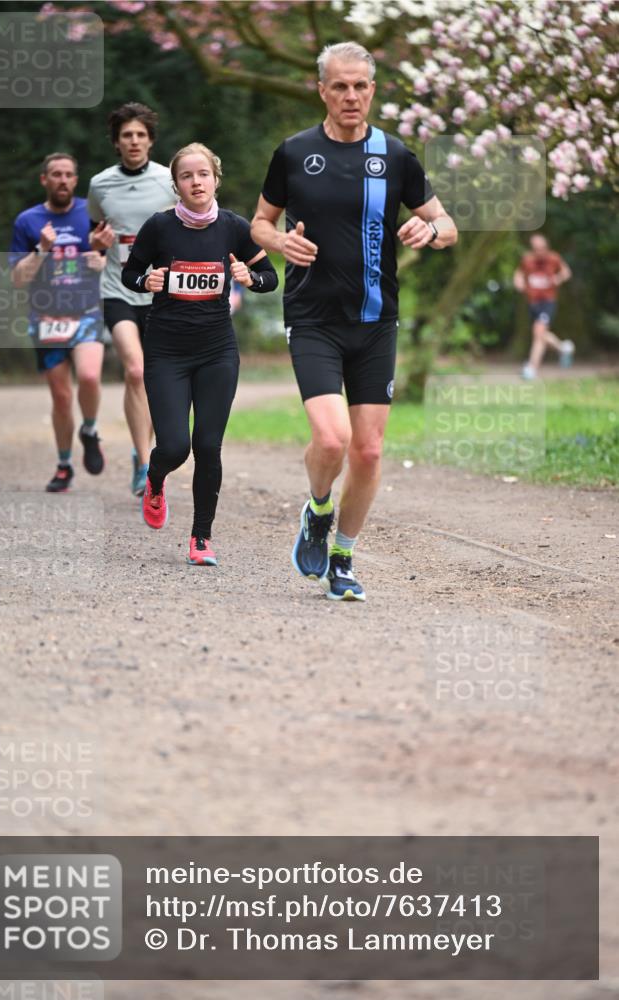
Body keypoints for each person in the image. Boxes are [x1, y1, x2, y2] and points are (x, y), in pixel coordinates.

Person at [251, 41, 457, 601]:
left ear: (372, 90)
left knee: (368, 450)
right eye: (339, 85)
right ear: (321, 89)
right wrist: (279, 244)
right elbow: (260, 224)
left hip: (375, 320)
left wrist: (431, 230)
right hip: (313, 317)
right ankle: (318, 508)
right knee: (332, 437)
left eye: (360, 86)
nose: (350, 95)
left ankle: (342, 555)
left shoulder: (395, 155)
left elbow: (446, 224)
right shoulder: (294, 153)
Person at [121, 142, 278, 566]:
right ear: (176, 185)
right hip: (167, 351)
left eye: (203, 174)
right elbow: (129, 273)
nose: (196, 182)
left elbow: (270, 276)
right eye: (187, 176)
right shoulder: (159, 227)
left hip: (216, 350)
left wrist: (251, 277)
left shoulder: (234, 228)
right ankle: (154, 479)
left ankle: (201, 538)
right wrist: (146, 281)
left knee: (208, 444)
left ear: (215, 179)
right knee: (174, 447)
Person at [87, 102, 174, 496]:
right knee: (135, 371)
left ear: (151, 141)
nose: (134, 141)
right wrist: (96, 243)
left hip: (160, 292)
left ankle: (146, 454)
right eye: (127, 135)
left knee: (154, 378)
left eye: (141, 134)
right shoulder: (100, 184)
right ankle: (143, 463)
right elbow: (95, 235)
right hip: (118, 289)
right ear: (117, 143)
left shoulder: (169, 181)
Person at [10, 152, 106, 493]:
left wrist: (101, 260)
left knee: (91, 376)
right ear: (44, 180)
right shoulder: (27, 221)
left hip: (86, 312)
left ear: (76, 180)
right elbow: (18, 279)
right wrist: (41, 250)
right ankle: (64, 465)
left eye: (68, 174)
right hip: (46, 317)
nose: (62, 179)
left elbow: (114, 262)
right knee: (62, 398)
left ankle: (90, 429)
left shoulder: (91, 215)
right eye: (56, 174)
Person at [513, 233, 574, 380]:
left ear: (546, 247)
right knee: (541, 334)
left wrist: (557, 279)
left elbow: (566, 272)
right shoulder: (527, 260)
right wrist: (519, 282)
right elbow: (518, 274)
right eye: (536, 248)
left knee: (538, 331)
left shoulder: (554, 258)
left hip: (548, 301)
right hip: (533, 302)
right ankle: (563, 348)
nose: (539, 251)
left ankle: (531, 368)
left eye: (542, 248)